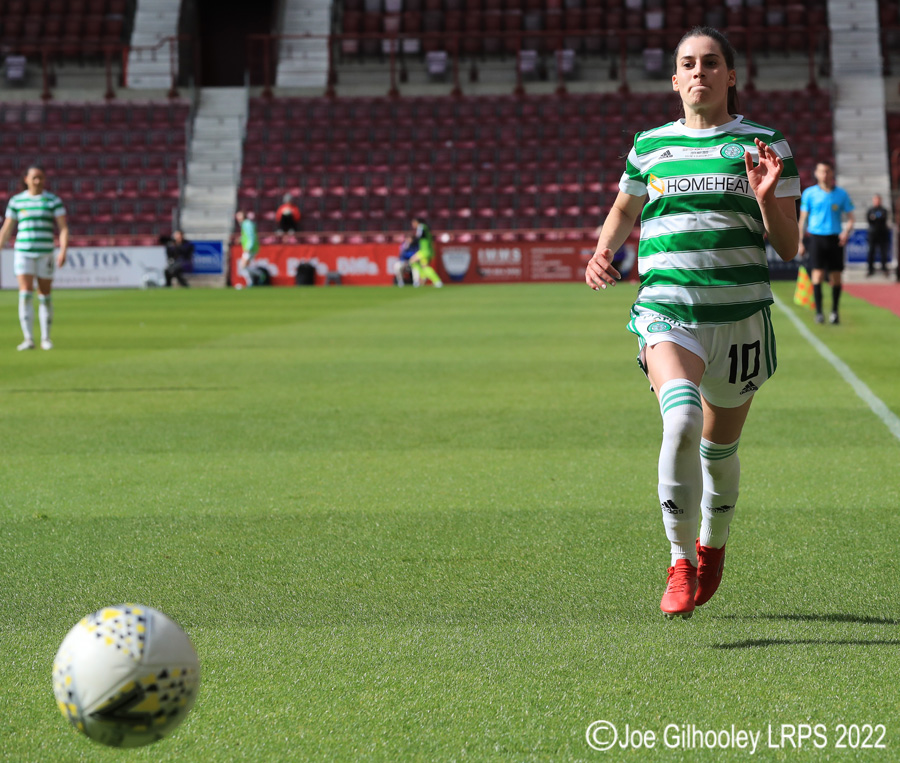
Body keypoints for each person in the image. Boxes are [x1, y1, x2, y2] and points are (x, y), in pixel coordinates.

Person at [585, 26, 800, 619]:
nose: (699, 72)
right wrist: (604, 249)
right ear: (675, 78)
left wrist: (765, 197)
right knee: (678, 420)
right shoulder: (650, 145)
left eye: (711, 63)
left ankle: (713, 547)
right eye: (688, 63)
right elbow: (624, 205)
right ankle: (679, 560)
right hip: (668, 310)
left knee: (717, 448)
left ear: (731, 76)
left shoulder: (766, 143)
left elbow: (788, 246)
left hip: (739, 319)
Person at [0, 165, 69, 350]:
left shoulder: (52, 200)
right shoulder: (17, 201)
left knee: (45, 294)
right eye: (34, 178)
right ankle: (28, 339)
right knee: (25, 292)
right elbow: (7, 228)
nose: (37, 181)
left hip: (45, 252)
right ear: (26, 179)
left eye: (41, 177)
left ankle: (46, 338)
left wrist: (63, 250)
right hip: (23, 252)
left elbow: (63, 227)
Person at [798, 161, 854, 324]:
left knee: (836, 277)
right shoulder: (809, 193)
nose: (825, 174)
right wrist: (801, 242)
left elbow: (851, 219)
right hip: (816, 238)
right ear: (816, 173)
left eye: (828, 171)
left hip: (835, 238)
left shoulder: (841, 194)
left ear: (832, 173)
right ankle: (819, 312)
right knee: (817, 275)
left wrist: (846, 231)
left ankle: (835, 312)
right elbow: (803, 219)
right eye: (822, 171)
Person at [409, 216, 443, 288]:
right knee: (414, 262)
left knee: (423, 266)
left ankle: (437, 281)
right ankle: (423, 277)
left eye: (413, 223)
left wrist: (412, 241)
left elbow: (420, 236)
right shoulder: (425, 228)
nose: (412, 224)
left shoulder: (421, 226)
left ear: (416, 222)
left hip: (425, 251)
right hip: (426, 250)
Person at [865, 194, 890, 277]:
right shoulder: (870, 210)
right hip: (872, 234)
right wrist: (875, 218)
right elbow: (869, 219)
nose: (877, 201)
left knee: (883, 252)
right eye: (875, 200)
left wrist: (875, 218)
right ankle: (870, 270)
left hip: (882, 234)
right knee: (871, 252)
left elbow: (883, 218)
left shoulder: (884, 210)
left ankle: (884, 269)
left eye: (878, 200)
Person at [235, 210, 260, 287]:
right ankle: (252, 281)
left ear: (243, 216)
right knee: (244, 266)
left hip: (250, 249)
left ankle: (257, 277)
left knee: (242, 266)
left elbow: (251, 237)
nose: (237, 217)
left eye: (239, 215)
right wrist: (240, 239)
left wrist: (249, 247)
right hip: (251, 248)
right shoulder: (245, 224)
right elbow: (247, 236)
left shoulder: (247, 224)